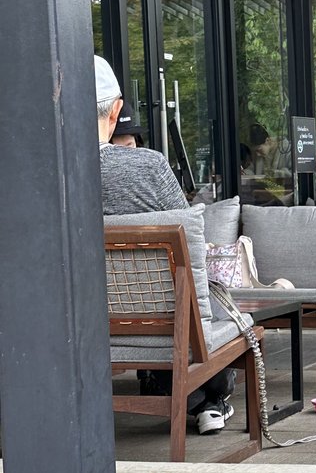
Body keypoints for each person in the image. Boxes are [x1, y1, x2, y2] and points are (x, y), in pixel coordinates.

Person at [95, 55, 235, 435]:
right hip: (162, 322)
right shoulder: (149, 168)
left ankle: (187, 394)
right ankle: (206, 399)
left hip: (75, 324)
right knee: (214, 314)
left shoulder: (36, 175)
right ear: (116, 110)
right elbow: (189, 242)